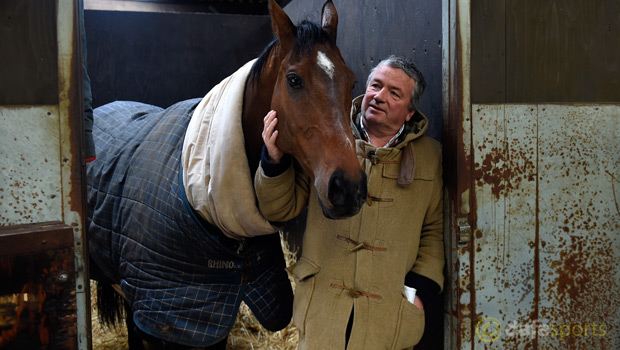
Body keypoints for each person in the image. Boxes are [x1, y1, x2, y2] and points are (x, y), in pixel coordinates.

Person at [254, 55, 444, 349]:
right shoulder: (326, 138)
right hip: (322, 307)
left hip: (388, 316)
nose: (379, 96)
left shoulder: (430, 157)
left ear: (409, 112)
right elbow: (278, 209)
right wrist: (274, 161)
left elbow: (433, 229)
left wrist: (418, 293)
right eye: (375, 86)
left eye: (394, 93)